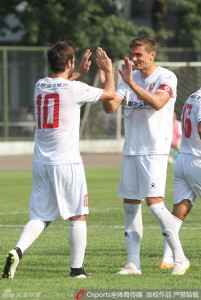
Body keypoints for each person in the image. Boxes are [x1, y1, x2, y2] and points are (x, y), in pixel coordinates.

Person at [2, 40, 115, 279]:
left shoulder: (40, 84)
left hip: (41, 163)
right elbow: (110, 95)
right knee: (78, 215)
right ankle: (77, 271)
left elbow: (60, 86)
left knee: (41, 216)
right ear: (70, 62)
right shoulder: (74, 89)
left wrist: (76, 74)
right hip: (67, 163)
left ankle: (18, 250)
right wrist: (108, 70)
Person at [101, 36, 189, 275]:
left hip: (154, 150)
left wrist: (131, 84)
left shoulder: (166, 77)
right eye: (133, 53)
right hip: (131, 150)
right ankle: (133, 264)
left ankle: (179, 257)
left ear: (152, 55)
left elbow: (159, 102)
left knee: (155, 204)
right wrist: (108, 77)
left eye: (139, 54)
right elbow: (110, 108)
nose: (135, 57)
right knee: (130, 205)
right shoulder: (130, 76)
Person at [161, 88, 201, 272]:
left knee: (179, 212)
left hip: (183, 160)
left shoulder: (192, 96)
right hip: (197, 160)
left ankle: (167, 258)